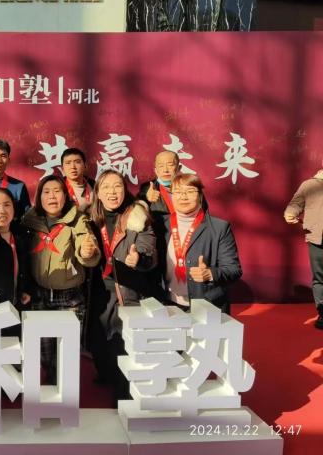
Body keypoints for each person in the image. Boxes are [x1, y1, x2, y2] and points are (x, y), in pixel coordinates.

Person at [21, 174, 100, 383]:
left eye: (57, 191)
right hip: (40, 296)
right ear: (39, 197)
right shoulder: (29, 221)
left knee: (66, 352)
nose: (52, 196)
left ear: (65, 195)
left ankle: (63, 389)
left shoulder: (78, 220)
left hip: (70, 298)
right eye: (46, 192)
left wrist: (87, 251)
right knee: (45, 352)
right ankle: (52, 383)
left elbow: (87, 246)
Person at [87, 169, 157, 403]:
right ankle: (107, 374)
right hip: (97, 288)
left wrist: (140, 259)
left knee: (122, 342)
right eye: (106, 187)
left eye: (117, 186)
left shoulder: (138, 216)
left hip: (127, 289)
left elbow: (149, 250)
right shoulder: (88, 219)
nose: (112, 192)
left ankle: (123, 396)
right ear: (98, 192)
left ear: (125, 190)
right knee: (99, 339)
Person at [157, 173, 242, 313]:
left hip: (206, 306)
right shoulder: (159, 224)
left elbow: (233, 270)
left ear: (200, 195)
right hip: (167, 304)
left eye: (190, 191)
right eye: (178, 192)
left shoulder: (219, 228)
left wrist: (210, 273)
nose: (183, 197)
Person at [284, 166, 323, 329]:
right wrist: (290, 213)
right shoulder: (309, 185)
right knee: (320, 278)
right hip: (317, 239)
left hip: (316, 237)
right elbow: (295, 204)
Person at [137, 150, 180, 221]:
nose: (165, 170)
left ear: (179, 168)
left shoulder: (190, 187)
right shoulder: (147, 189)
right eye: (161, 166)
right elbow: (135, 213)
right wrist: (146, 199)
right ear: (156, 170)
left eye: (170, 165)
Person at [60, 148, 95, 213]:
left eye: (77, 162)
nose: (73, 167)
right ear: (62, 168)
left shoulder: (96, 186)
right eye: (68, 163)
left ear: (85, 165)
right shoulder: (58, 188)